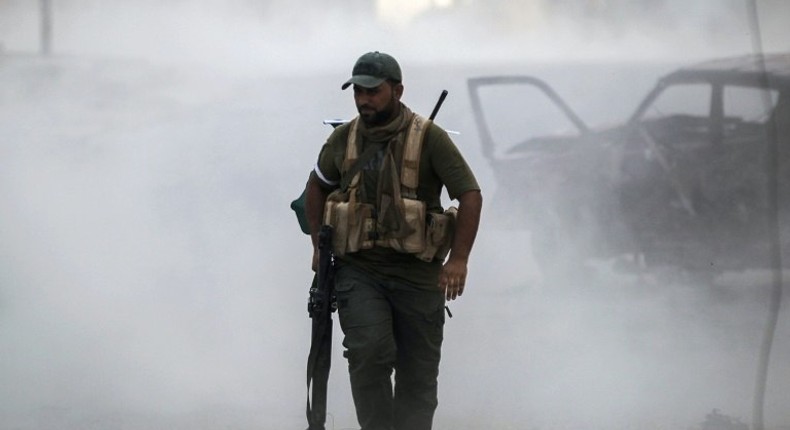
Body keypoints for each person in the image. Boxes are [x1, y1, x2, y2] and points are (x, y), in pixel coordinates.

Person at [304, 51, 482, 430]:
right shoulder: (343, 138)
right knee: (369, 352)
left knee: (418, 376)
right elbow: (316, 187)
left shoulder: (428, 139)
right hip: (360, 270)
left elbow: (469, 194)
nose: (364, 99)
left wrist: (459, 260)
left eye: (373, 91)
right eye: (358, 92)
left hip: (418, 275)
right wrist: (318, 249)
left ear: (397, 90)